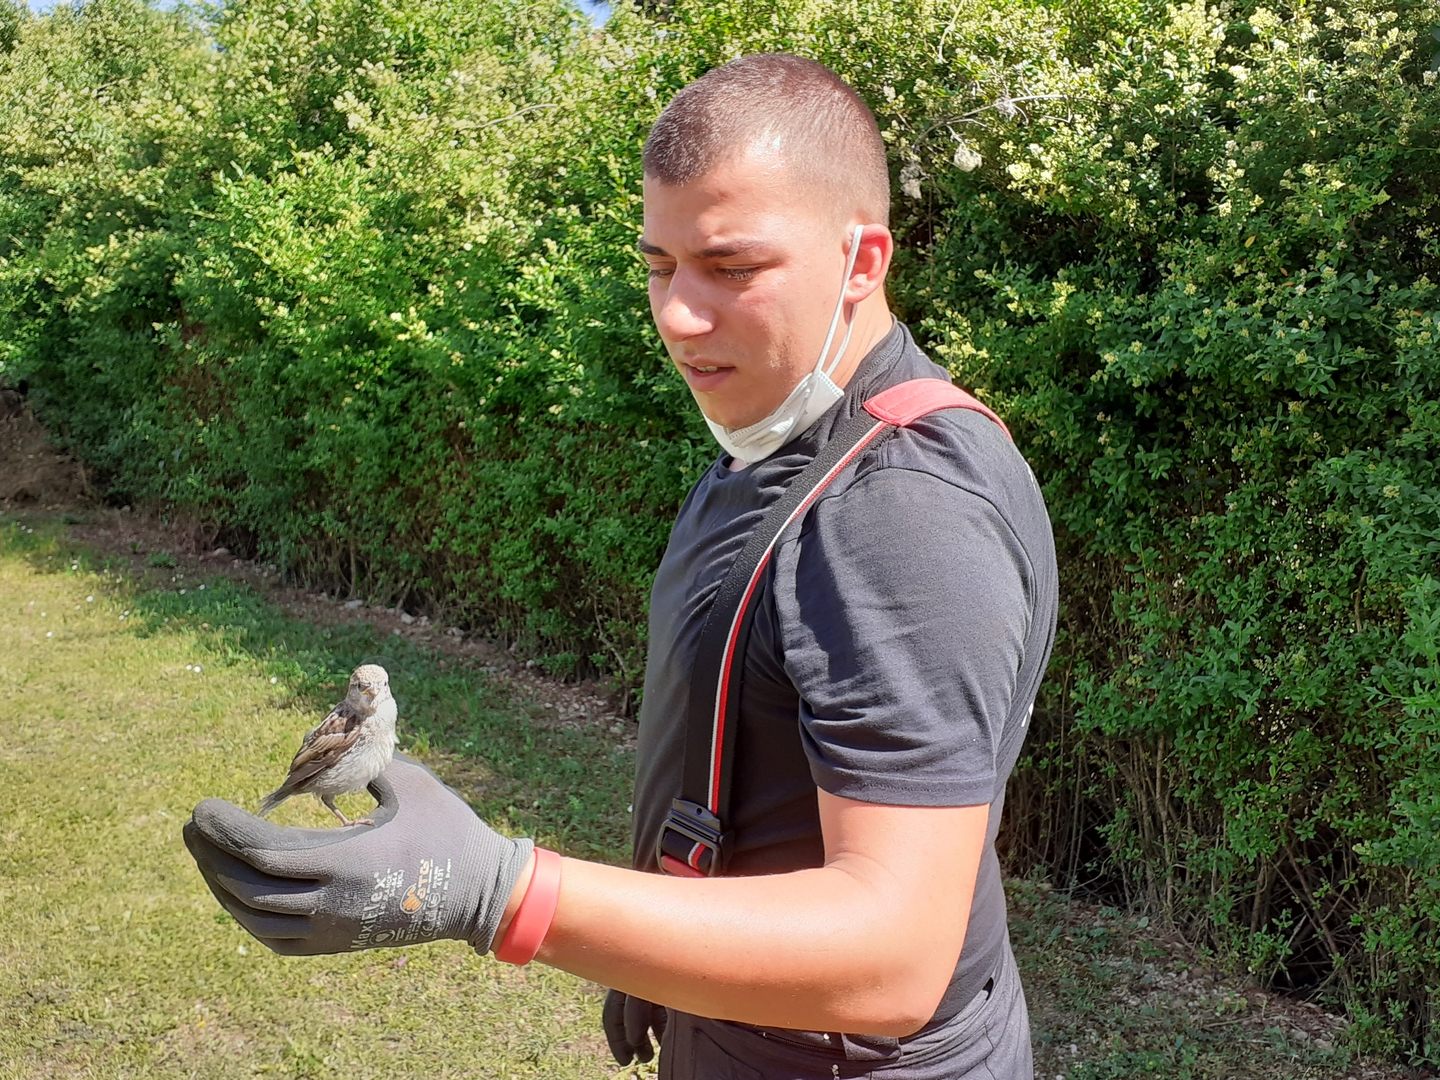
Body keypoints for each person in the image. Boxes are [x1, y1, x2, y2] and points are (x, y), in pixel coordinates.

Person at [184, 53, 1058, 1080]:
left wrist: (503, 892)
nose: (678, 315)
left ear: (862, 261)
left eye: (731, 268)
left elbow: (893, 958)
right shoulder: (778, 439)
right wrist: (660, 942)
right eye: (659, 265)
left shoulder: (903, 509)